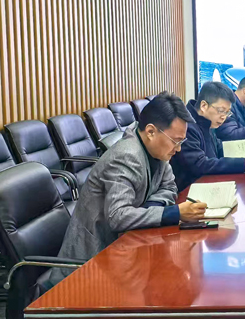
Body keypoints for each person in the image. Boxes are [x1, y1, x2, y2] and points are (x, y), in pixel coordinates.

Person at [55, 92, 208, 264]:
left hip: (127, 247)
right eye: (176, 141)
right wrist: (173, 213)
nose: (178, 149)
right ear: (151, 131)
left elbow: (169, 187)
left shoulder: (157, 148)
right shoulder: (126, 157)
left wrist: (149, 209)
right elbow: (118, 216)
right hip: (92, 260)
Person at [170, 82, 245, 191]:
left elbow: (219, 149)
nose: (223, 117)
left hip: (206, 185)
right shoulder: (186, 126)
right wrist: (242, 164)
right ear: (204, 106)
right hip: (189, 191)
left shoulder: (207, 122)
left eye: (227, 113)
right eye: (221, 111)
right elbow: (200, 164)